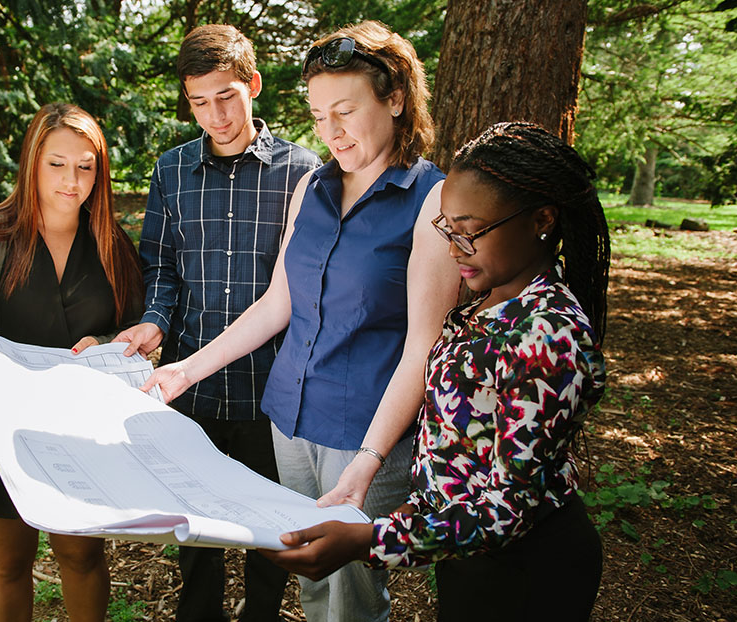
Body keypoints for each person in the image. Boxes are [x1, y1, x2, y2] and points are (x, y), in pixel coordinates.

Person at [142, 21, 460, 622]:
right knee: (314, 584)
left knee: (348, 597)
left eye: (345, 110)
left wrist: (367, 462)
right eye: (318, 115)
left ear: (395, 99)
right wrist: (185, 370)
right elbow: (276, 304)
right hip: (287, 420)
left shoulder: (431, 200)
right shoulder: (311, 186)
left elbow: (424, 346)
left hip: (362, 433)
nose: (331, 131)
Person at [261, 121, 611, 622]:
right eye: (448, 229)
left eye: (471, 232)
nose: (454, 250)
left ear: (542, 220)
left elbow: (505, 510)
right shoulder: (491, 300)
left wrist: (370, 540)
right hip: (467, 555)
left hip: (525, 568)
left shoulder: (548, 337)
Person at [110, 24, 322, 622]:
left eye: (226, 97)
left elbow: (301, 289)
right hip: (189, 383)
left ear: (252, 85)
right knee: (194, 524)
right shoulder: (171, 170)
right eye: (199, 102)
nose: (216, 116)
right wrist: (153, 321)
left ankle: (261, 613)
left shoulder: (303, 171)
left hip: (269, 389)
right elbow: (163, 266)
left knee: (270, 525)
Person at [0, 103, 143, 622]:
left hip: (82, 429)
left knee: (82, 555)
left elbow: (139, 328)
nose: (72, 180)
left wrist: (107, 340)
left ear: (100, 170)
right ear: (31, 163)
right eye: (57, 164)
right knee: (7, 564)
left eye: (85, 166)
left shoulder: (112, 244)